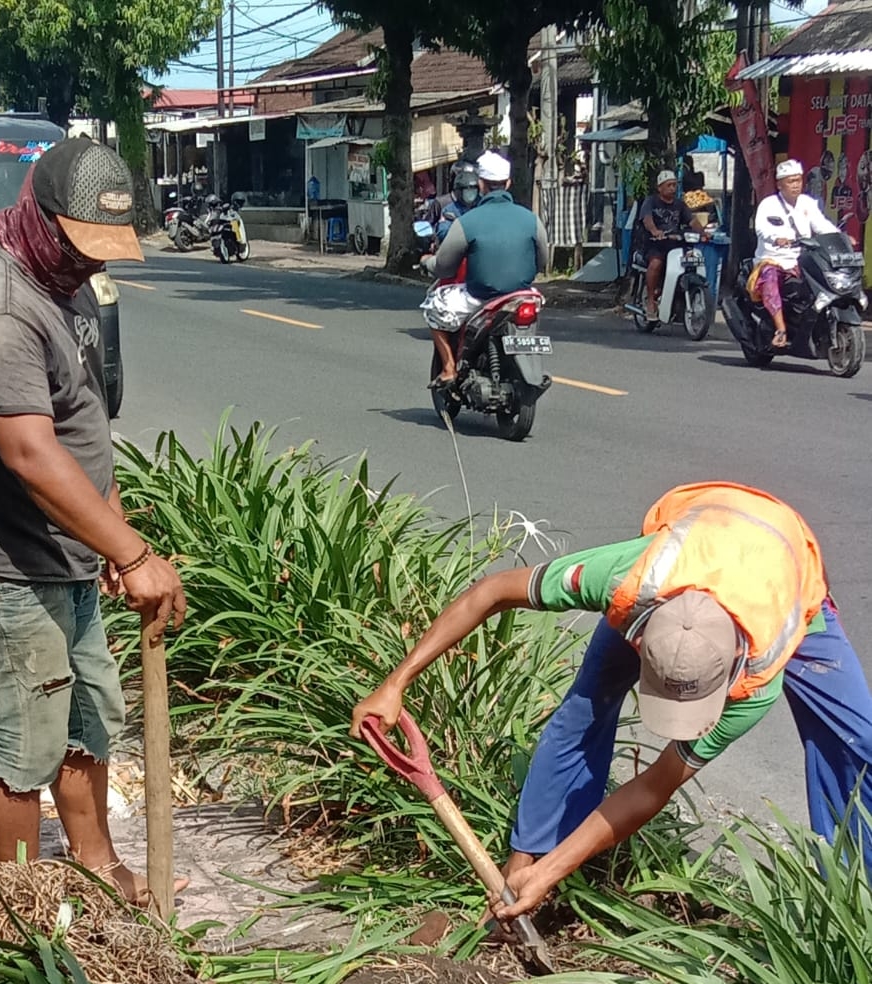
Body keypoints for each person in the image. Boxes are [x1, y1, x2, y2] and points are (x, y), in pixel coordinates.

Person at [350, 481, 872, 921]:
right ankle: (523, 863)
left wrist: (557, 869)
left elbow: (656, 785)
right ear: (641, 637)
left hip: (787, 570)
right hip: (699, 534)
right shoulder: (625, 578)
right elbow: (491, 592)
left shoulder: (760, 672)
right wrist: (395, 683)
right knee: (586, 707)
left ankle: (855, 906)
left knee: (856, 743)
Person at [0, 135, 186, 903]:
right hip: (7, 568)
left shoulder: (61, 281)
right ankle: (21, 910)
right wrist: (131, 555)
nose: (94, 263)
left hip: (69, 552)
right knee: (21, 746)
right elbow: (30, 453)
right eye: (83, 245)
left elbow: (82, 425)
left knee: (86, 719)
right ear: (41, 217)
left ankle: (96, 869)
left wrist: (109, 532)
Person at [420, 150, 548, 387]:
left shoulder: (467, 222)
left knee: (432, 309)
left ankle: (449, 369)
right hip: (522, 295)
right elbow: (543, 261)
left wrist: (427, 262)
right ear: (508, 184)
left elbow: (445, 267)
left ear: (480, 184)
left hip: (480, 296)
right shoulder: (532, 219)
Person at [753, 158, 833, 349]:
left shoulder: (808, 203)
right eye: (791, 181)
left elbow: (822, 225)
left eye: (798, 180)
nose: (796, 185)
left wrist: (840, 236)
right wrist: (776, 238)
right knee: (770, 279)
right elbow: (762, 229)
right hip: (772, 259)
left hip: (801, 259)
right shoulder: (768, 204)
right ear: (780, 184)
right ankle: (780, 330)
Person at [638, 170, 695, 321]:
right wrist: (655, 231)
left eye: (674, 185)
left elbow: (692, 221)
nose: (672, 188)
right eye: (669, 185)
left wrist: (703, 233)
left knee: (692, 261)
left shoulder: (680, 204)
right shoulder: (651, 201)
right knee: (656, 263)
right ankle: (650, 301)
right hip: (655, 244)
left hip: (675, 245)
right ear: (660, 187)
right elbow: (647, 219)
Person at [433, 159, 480, 243]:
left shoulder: (482, 205)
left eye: (473, 188)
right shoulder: (447, 208)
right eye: (466, 189)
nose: (470, 193)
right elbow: (442, 232)